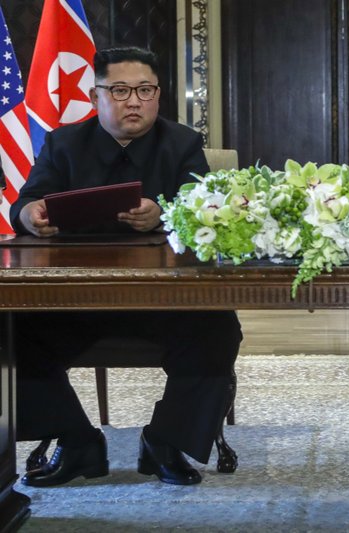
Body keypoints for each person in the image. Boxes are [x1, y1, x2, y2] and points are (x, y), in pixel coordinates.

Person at [10, 46, 242, 486]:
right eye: (119, 90)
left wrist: (167, 212)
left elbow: (211, 210)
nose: (133, 101)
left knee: (219, 330)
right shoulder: (63, 143)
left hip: (165, 300)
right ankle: (76, 441)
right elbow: (24, 204)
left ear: (158, 95)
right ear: (96, 96)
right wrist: (28, 216)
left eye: (145, 90)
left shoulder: (182, 143)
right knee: (8, 335)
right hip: (74, 299)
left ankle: (165, 442)